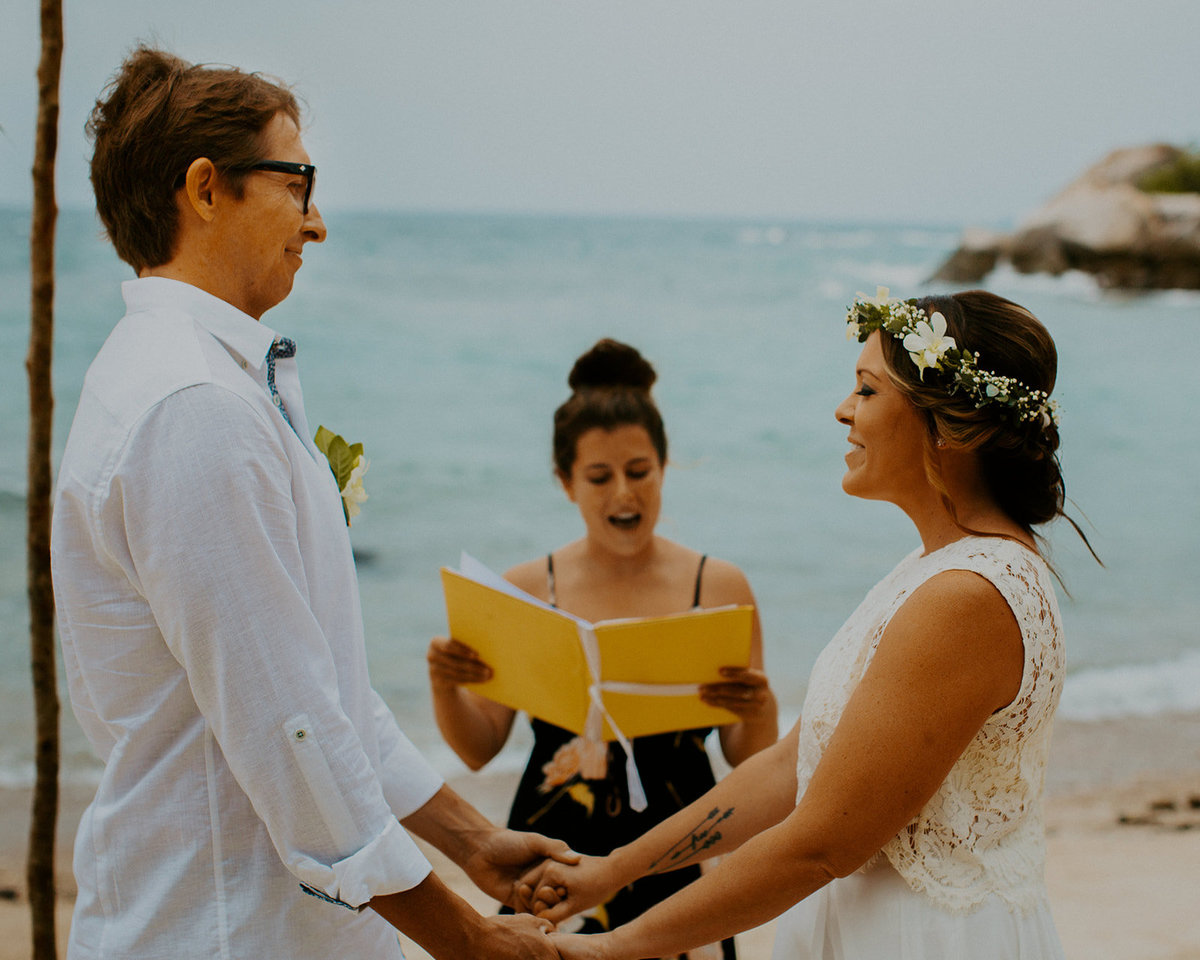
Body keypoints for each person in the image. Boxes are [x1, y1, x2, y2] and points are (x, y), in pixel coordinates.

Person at [50, 46, 573, 960]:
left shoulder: (205, 381)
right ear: (206, 189)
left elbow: (323, 684)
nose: (317, 221)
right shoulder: (193, 409)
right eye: (298, 182)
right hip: (220, 927)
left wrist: (470, 841)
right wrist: (470, 941)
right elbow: (286, 722)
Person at [529, 290, 1091, 959]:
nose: (843, 410)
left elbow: (822, 843)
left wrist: (607, 948)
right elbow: (792, 766)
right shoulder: (931, 567)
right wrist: (612, 871)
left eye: (866, 389)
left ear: (952, 424)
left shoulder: (967, 597)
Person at [427, 339, 779, 959]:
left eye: (639, 472)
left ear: (664, 467)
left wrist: (758, 710)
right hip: (550, 860)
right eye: (599, 476)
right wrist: (443, 684)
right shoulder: (526, 590)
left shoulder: (719, 587)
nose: (624, 494)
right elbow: (479, 750)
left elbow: (751, 761)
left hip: (678, 856)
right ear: (566, 482)